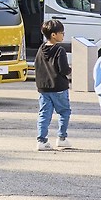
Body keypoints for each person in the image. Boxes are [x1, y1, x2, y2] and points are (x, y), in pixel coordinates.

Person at [35, 19, 73, 151]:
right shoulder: (59, 50)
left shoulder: (41, 48)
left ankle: (42, 140)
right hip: (59, 87)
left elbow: (37, 66)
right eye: (61, 33)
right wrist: (70, 71)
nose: (63, 35)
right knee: (64, 112)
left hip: (44, 87)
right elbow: (63, 69)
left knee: (44, 114)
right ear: (53, 35)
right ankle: (61, 138)